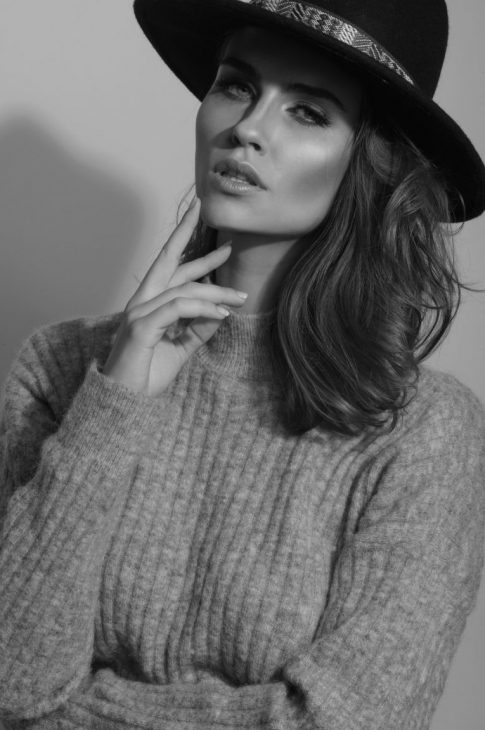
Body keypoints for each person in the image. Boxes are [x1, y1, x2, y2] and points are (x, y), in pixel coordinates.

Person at [1, 0, 484, 727]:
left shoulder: (423, 433)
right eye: (236, 85)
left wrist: (75, 710)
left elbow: (347, 720)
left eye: (308, 112)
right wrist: (114, 404)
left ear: (372, 160)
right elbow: (13, 682)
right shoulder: (61, 367)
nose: (247, 128)